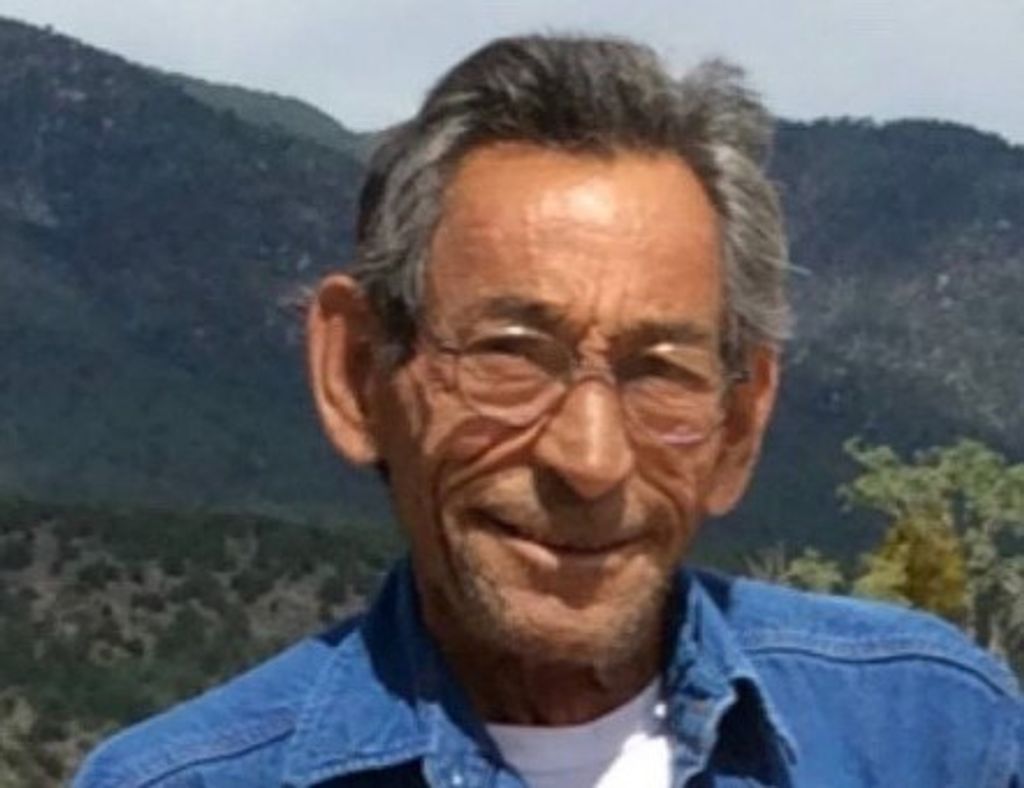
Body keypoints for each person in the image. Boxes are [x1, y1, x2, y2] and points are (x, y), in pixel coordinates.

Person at [75, 34, 1021, 788]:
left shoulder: (929, 734)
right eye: (511, 356)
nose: (590, 458)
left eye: (660, 372)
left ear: (739, 424)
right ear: (358, 373)